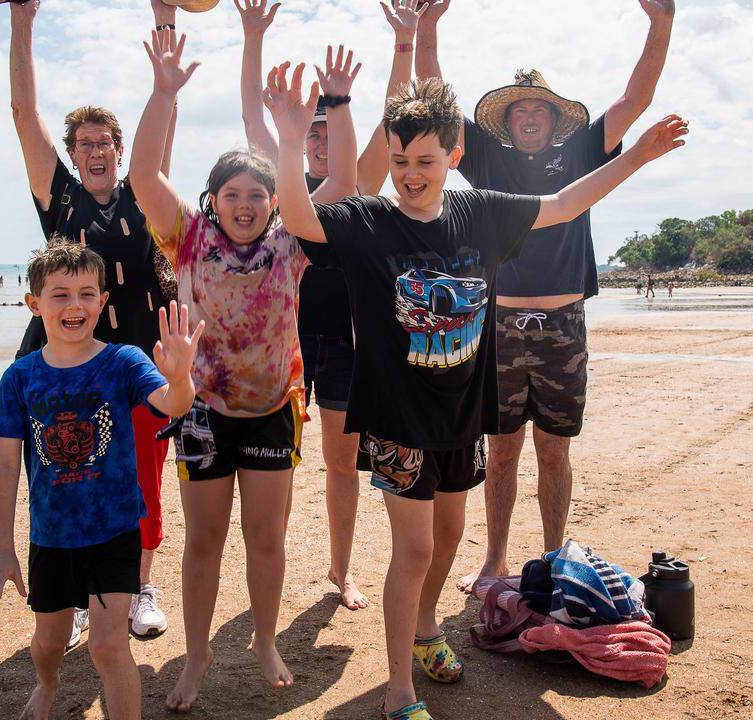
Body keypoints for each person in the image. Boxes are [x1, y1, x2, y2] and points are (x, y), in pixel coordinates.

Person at [268, 66, 686, 717]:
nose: (410, 173)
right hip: (398, 418)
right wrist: (290, 142)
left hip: (464, 413)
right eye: (401, 160)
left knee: (451, 533)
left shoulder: (479, 212)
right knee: (416, 547)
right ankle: (400, 686)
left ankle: (428, 627)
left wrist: (637, 154)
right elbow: (300, 216)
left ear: (453, 156)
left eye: (425, 160)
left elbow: (562, 206)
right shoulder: (371, 220)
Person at [130, 29, 362, 712]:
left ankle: (263, 637)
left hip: (272, 410)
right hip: (202, 412)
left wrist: (311, 128)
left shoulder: (291, 244)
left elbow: (343, 184)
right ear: (213, 200)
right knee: (203, 539)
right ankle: (198, 653)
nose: (244, 203)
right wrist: (162, 93)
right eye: (232, 193)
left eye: (256, 194)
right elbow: (144, 176)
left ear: (272, 202)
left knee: (267, 538)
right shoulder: (189, 238)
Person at [416, 0, 676, 593]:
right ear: (504, 122)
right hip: (500, 327)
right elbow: (434, 105)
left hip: (562, 326)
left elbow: (633, 102)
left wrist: (660, 24)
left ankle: (557, 557)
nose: (529, 116)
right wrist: (427, 30)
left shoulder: (582, 152)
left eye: (539, 109)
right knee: (502, 452)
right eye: (519, 110)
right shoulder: (483, 159)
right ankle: (496, 559)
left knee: (555, 453)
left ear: (554, 120)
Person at [235, 0, 424, 611]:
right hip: (284, 344)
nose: (316, 139)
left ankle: (341, 572)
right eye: (308, 129)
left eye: (325, 129)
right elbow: (249, 114)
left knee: (342, 464)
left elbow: (394, 116)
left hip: (347, 341)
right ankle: (276, 570)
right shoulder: (278, 178)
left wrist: (406, 41)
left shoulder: (358, 178)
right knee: (278, 467)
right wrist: (253, 35)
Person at [5, 0, 183, 648]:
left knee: (143, 483)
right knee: (64, 474)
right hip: (61, 365)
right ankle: (80, 594)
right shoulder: (60, 198)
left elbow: (164, 110)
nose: (96, 150)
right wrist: (23, 19)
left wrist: (165, 17)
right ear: (75, 155)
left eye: (105, 141)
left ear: (118, 148)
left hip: (136, 363)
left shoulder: (141, 191)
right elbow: (25, 115)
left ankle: (139, 589)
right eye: (85, 143)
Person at [0, 243, 202, 720]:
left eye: (85, 294)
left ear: (102, 301)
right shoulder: (20, 378)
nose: (74, 306)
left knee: (108, 646)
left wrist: (180, 379)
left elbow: (172, 404)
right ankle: (47, 684)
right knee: (49, 642)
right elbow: (5, 465)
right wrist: (2, 549)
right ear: (34, 304)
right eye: (59, 295)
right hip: (51, 538)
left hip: (115, 531)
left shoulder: (122, 361)